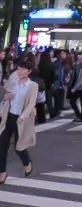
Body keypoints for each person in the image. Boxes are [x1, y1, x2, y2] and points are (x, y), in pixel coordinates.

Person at [0, 54, 37, 184]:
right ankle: (2, 173)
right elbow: (6, 96)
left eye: (23, 70)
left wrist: (23, 115)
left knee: (18, 146)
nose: (20, 72)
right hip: (9, 116)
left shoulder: (32, 85)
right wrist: (5, 97)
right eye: (19, 69)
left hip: (21, 119)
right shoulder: (13, 82)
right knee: (2, 144)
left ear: (29, 71)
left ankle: (27, 162)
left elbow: (31, 103)